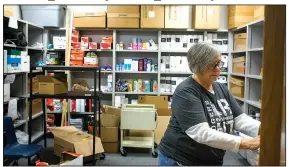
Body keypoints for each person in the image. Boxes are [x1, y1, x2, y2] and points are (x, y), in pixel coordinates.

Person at [158, 42, 261, 166]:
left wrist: (266, 130)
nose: (218, 69)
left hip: (209, 160)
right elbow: (202, 133)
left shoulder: (220, 88)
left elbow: (239, 119)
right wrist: (246, 143)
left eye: (219, 64)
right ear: (198, 66)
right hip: (180, 160)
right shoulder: (186, 92)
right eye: (212, 65)